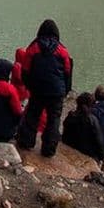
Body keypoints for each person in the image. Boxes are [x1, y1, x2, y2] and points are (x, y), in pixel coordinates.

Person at [16, 19, 72, 157]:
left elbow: (26, 70)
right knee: (54, 120)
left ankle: (26, 142)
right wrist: (65, 90)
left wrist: (30, 87)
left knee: (32, 116)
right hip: (56, 91)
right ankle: (49, 150)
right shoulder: (62, 50)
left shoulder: (33, 48)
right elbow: (67, 72)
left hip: (37, 90)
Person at [62, 92, 104, 163]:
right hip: (87, 152)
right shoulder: (92, 120)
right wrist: (101, 157)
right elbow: (99, 140)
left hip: (69, 148)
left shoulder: (70, 116)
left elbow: (65, 133)